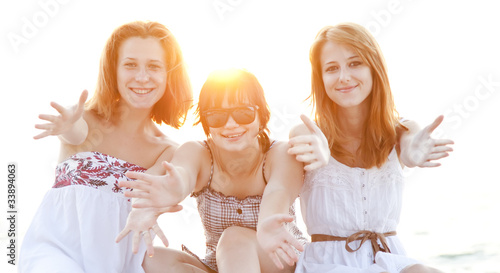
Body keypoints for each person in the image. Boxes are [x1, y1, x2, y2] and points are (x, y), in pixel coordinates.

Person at [256, 22, 454, 273]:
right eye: (331, 68)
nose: (343, 77)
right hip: (328, 264)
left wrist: (413, 153)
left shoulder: (401, 131)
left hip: (390, 260)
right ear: (321, 78)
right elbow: (280, 189)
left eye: (354, 63)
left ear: (374, 68)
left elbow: (410, 142)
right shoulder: (307, 133)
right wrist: (267, 223)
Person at [19, 21, 192, 273]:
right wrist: (67, 125)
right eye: (130, 64)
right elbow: (75, 134)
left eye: (154, 66)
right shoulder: (86, 120)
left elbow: (157, 193)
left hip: (119, 264)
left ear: (169, 75)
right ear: (114, 70)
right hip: (54, 252)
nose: (142, 77)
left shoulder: (167, 150)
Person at [117, 68, 307, 273]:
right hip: (222, 264)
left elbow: (277, 193)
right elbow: (183, 173)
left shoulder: (279, 154)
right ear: (206, 123)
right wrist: (169, 191)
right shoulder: (199, 153)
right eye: (217, 117)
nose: (231, 124)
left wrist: (269, 223)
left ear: (261, 116)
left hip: (281, 258)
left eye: (243, 113)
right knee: (152, 259)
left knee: (233, 238)